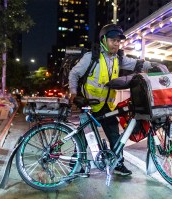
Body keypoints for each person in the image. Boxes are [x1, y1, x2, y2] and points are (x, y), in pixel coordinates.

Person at [68, 24, 163, 176]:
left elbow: (135, 63)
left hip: (107, 105)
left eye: (119, 41)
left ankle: (118, 163)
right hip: (89, 104)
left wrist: (152, 65)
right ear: (103, 40)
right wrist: (73, 94)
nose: (116, 44)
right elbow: (74, 74)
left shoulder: (118, 58)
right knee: (84, 137)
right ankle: (75, 164)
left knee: (114, 135)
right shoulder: (91, 57)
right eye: (113, 40)